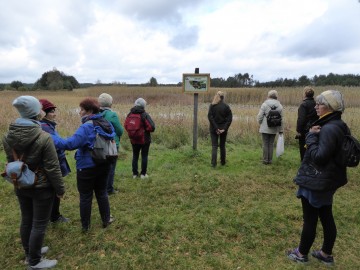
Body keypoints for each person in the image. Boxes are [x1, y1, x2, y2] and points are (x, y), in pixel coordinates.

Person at [2, 96, 65, 269]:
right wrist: (60, 189)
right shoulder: (44, 137)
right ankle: (35, 261)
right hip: (42, 187)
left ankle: (30, 251)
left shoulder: (7, 136)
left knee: (26, 219)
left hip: (20, 182)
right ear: (36, 112)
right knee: (39, 224)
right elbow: (53, 167)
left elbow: (11, 160)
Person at [287, 90, 347, 266]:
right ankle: (325, 253)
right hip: (327, 179)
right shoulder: (339, 124)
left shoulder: (328, 128)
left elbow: (320, 157)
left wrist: (311, 136)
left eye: (319, 104)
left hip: (317, 179)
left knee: (310, 218)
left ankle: (301, 253)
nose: (316, 106)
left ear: (328, 107)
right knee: (326, 215)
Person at [52, 97, 114, 232]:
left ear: (89, 111)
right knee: (102, 192)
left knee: (86, 196)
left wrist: (51, 135)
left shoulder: (87, 126)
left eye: (81, 110)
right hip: (104, 163)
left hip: (87, 166)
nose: (79, 112)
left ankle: (86, 226)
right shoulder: (106, 123)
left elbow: (69, 144)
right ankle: (106, 219)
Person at [39, 99, 71, 223]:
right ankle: (54, 216)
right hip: (53, 162)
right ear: (43, 113)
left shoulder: (48, 125)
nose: (54, 114)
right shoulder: (45, 127)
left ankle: (52, 215)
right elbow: (55, 145)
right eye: (51, 112)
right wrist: (67, 143)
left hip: (54, 160)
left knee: (52, 189)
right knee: (54, 188)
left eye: (54, 111)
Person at [98, 93, 124, 195]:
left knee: (100, 166)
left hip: (98, 144)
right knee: (111, 167)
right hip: (112, 144)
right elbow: (120, 131)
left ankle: (100, 187)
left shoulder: (96, 114)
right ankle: (109, 189)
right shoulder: (112, 115)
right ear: (110, 104)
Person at [125, 98, 155, 179]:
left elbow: (126, 125)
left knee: (135, 156)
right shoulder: (144, 114)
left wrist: (133, 132)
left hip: (134, 139)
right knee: (144, 156)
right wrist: (144, 130)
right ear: (144, 106)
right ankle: (143, 174)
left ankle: (134, 174)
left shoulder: (129, 114)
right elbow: (152, 127)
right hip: (144, 139)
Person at [257, 90, 284, 164]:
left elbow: (260, 116)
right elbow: (281, 119)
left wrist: (260, 123)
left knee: (265, 143)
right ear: (276, 97)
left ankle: (265, 160)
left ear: (268, 96)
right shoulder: (280, 106)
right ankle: (270, 160)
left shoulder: (264, 104)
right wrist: (281, 130)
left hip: (265, 127)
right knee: (271, 144)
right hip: (274, 128)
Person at [207, 91, 233, 167]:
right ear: (223, 97)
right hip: (223, 130)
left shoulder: (212, 106)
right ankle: (223, 162)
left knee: (214, 146)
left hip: (213, 129)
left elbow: (210, 118)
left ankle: (213, 164)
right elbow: (229, 119)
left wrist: (216, 128)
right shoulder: (226, 106)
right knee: (222, 146)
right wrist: (224, 129)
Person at [295, 87, 318, 161]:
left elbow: (301, 119)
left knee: (303, 147)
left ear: (305, 94)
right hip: (316, 128)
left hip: (305, 130)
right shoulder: (316, 103)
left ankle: (304, 162)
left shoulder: (303, 104)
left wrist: (298, 130)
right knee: (313, 145)